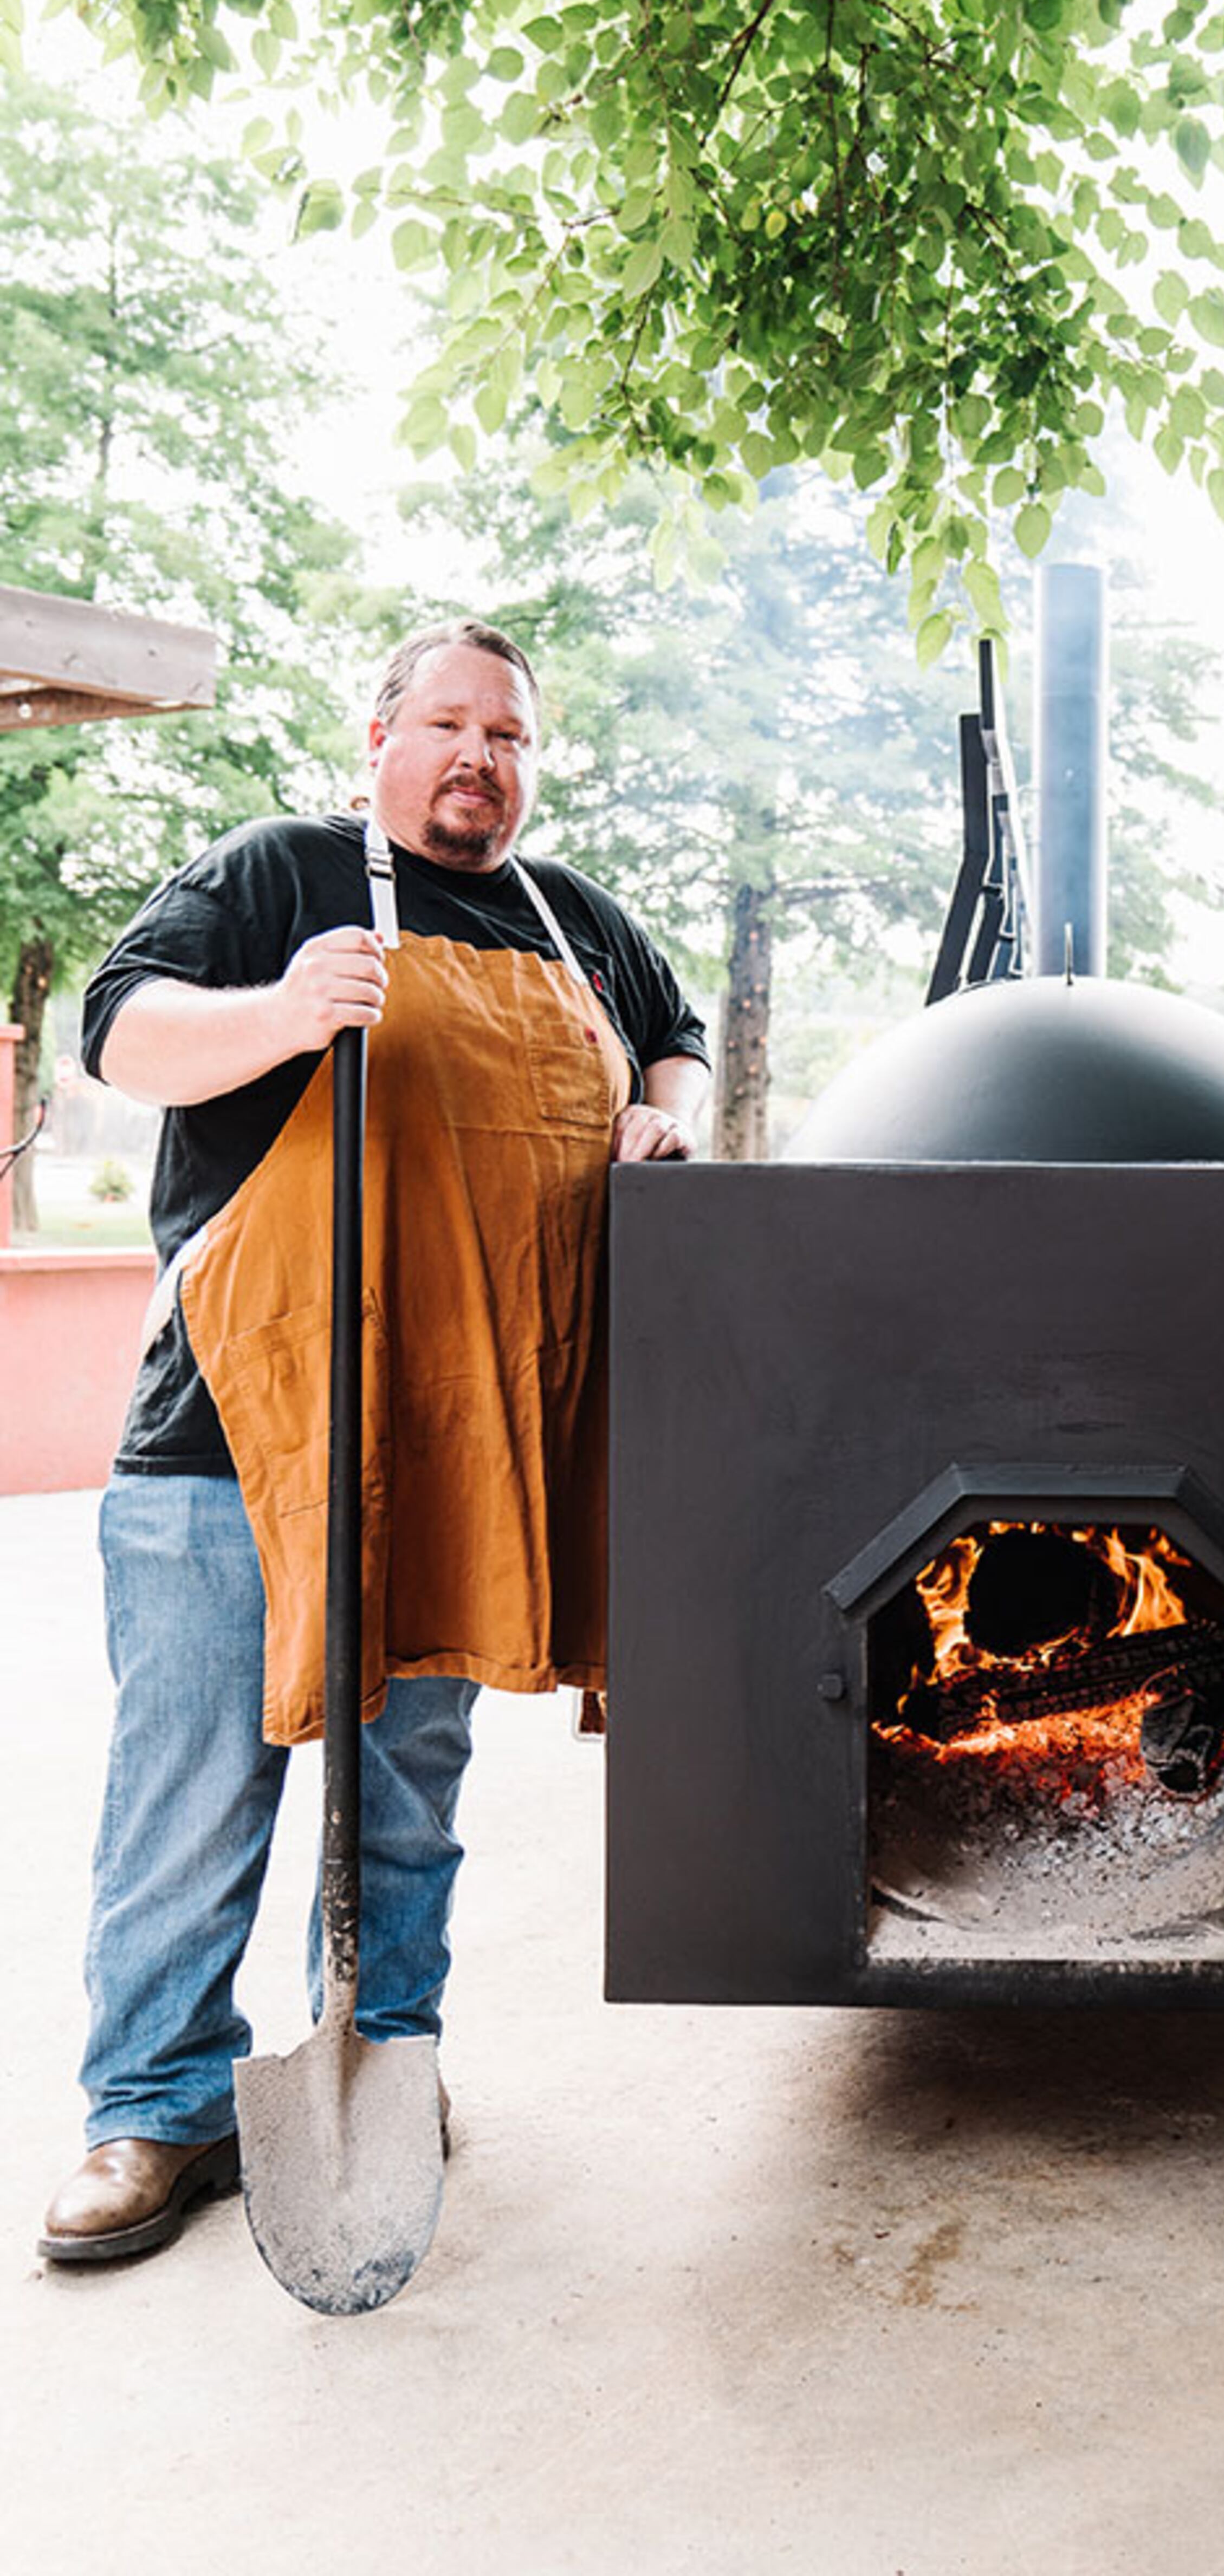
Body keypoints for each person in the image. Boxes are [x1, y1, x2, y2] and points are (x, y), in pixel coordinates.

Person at [41, 620, 709, 2265]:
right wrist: (281, 1013)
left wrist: (667, 1109)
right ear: (381, 737)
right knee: (193, 1794)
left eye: (511, 736)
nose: (482, 757)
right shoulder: (280, 871)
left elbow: (676, 1033)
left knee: (410, 1796)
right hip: (230, 1439)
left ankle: (384, 2057)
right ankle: (154, 2109)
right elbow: (118, 1033)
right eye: (450, 724)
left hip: (451, 1448)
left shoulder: (575, 920)